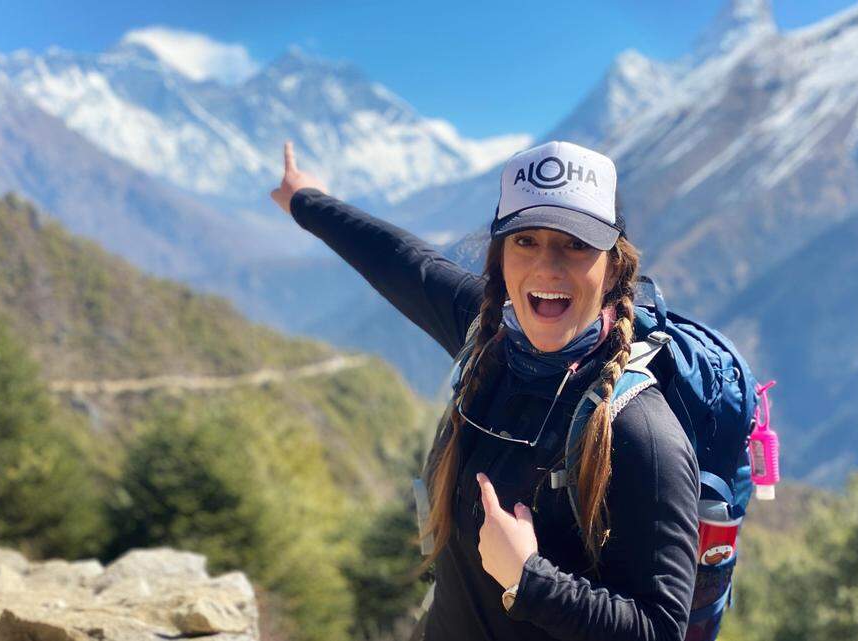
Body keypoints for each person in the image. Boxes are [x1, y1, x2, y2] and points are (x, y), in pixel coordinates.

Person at [270, 139, 700, 641]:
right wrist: (306, 200)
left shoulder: (639, 431)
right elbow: (399, 259)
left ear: (615, 268)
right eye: (526, 241)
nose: (548, 267)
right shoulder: (490, 336)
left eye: (576, 243)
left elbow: (661, 629)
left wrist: (531, 580)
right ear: (498, 258)